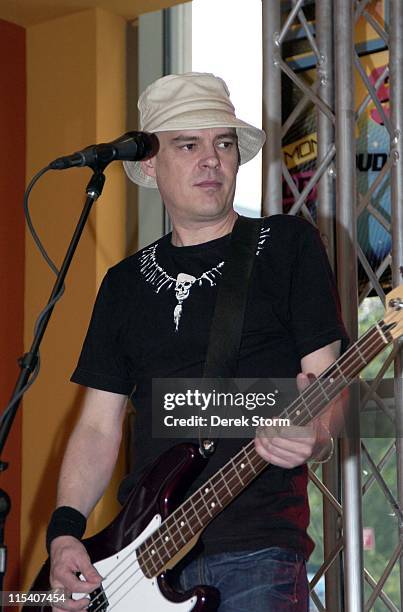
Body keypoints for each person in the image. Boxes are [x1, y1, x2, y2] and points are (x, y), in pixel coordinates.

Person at [47, 72, 348, 611]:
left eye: (224, 143)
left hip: (257, 550)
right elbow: (97, 425)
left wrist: (316, 434)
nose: (212, 159)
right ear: (147, 164)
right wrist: (66, 530)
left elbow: (328, 386)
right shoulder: (123, 283)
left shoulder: (285, 247)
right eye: (189, 144)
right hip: (138, 559)